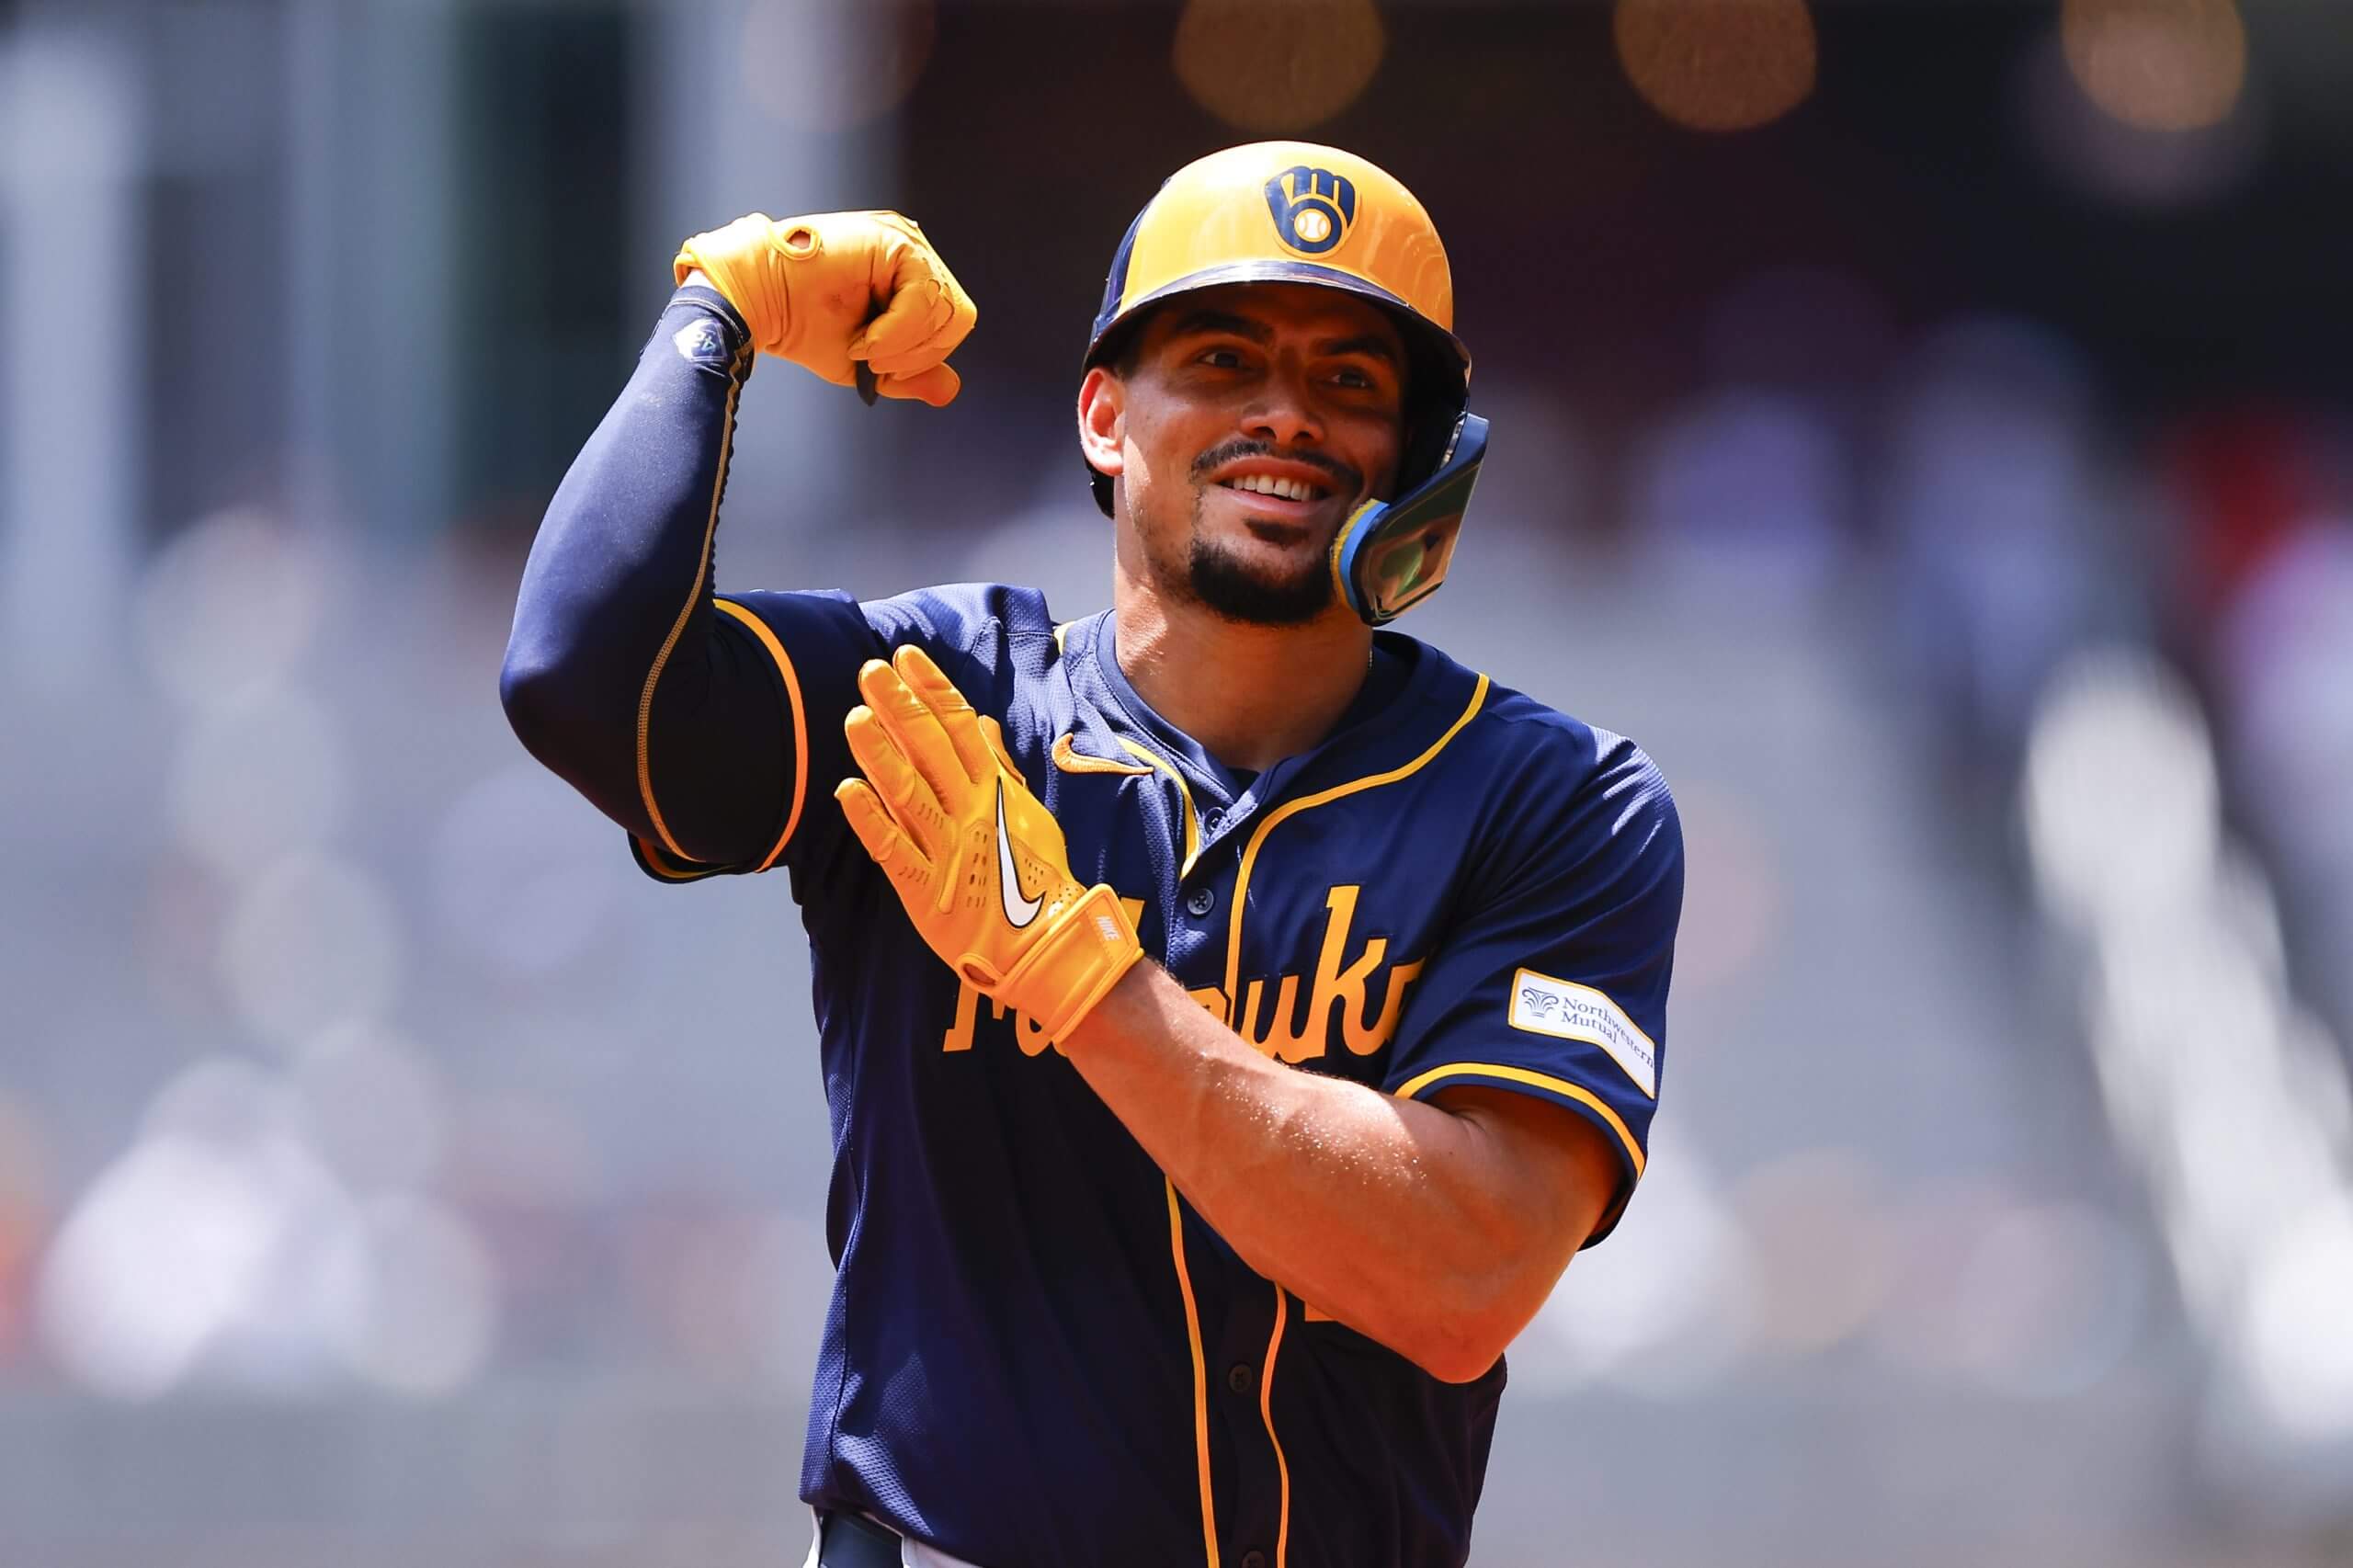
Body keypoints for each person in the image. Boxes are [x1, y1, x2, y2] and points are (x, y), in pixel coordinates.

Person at [501, 141, 1683, 1568]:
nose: (1284, 416)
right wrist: (717, 317)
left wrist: (1076, 973)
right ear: (1108, 417)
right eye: (1223, 359)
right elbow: (579, 674)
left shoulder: (1553, 799)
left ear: (1420, 465)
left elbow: (1466, 1270)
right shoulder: (937, 703)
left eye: (1350, 382)